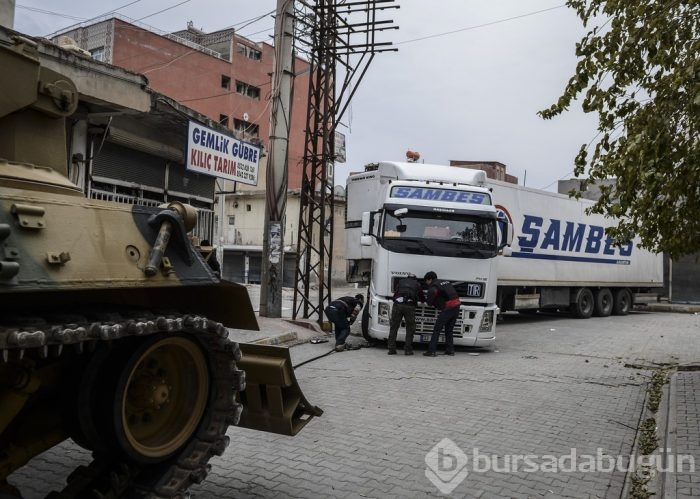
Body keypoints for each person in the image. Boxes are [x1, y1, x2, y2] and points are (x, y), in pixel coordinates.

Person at [423, 271, 460, 356]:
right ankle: (450, 350)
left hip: (449, 307)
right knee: (449, 330)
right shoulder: (445, 282)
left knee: (437, 329)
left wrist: (429, 302)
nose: (427, 284)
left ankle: (431, 351)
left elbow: (432, 293)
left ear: (430, 279)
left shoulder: (434, 285)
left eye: (427, 281)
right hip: (457, 306)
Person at [387, 274, 425, 355]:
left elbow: (396, 293)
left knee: (394, 327)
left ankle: (391, 349)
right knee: (410, 328)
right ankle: (408, 350)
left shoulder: (400, 282)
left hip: (397, 305)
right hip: (409, 306)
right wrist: (422, 301)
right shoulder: (417, 284)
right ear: (415, 279)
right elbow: (421, 296)